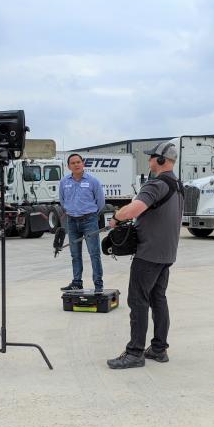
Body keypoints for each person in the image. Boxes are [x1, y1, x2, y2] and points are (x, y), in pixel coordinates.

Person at [106, 142, 183, 369]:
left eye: (151, 158)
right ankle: (159, 349)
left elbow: (134, 208)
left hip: (148, 254)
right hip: (167, 253)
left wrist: (116, 219)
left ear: (160, 160)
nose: (149, 161)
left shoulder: (156, 184)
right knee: (158, 299)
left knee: (138, 301)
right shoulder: (178, 184)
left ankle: (135, 353)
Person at [59, 153, 106, 292]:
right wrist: (71, 211)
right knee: (75, 254)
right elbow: (62, 201)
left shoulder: (93, 181)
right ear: (69, 167)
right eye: (73, 163)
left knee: (94, 253)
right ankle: (77, 282)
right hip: (72, 222)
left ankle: (98, 284)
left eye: (78, 162)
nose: (76, 164)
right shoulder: (64, 182)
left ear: (83, 163)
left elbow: (101, 202)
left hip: (89, 221)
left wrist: (91, 216)